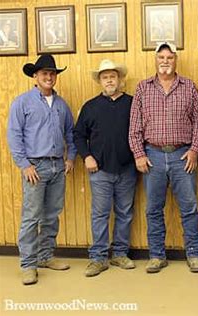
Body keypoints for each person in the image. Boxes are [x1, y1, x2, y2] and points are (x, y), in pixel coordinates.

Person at [128, 42, 198, 274]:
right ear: (155, 60)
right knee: (153, 208)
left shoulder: (189, 87)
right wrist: (139, 154)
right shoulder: (143, 88)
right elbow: (134, 127)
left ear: (175, 60)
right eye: (161, 57)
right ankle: (156, 256)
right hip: (153, 156)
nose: (165, 61)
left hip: (183, 156)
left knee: (189, 207)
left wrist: (194, 150)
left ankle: (193, 254)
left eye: (169, 57)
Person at [7, 54, 76, 285]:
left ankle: (45, 256)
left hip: (58, 165)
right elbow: (14, 136)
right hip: (35, 167)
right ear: (35, 76)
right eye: (44, 73)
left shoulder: (61, 104)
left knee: (51, 215)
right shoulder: (22, 102)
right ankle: (28, 264)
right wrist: (24, 164)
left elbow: (70, 134)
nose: (49, 76)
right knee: (31, 216)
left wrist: (71, 158)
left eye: (52, 73)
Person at [73, 59, 137, 277]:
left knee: (124, 212)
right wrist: (86, 156)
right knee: (100, 214)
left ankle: (120, 253)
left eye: (112, 76)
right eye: (105, 77)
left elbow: (140, 132)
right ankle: (98, 258)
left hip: (127, 168)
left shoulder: (132, 103)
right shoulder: (90, 107)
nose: (109, 80)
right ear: (100, 81)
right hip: (99, 170)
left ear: (119, 79)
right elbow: (78, 135)